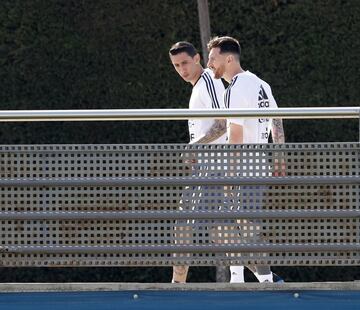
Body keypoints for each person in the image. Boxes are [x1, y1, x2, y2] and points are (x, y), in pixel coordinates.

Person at [207, 36, 286, 283]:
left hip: (244, 166)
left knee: (245, 226)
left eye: (213, 59)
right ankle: (239, 277)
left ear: (228, 59)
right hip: (259, 162)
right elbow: (276, 120)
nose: (210, 65)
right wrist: (280, 157)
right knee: (230, 224)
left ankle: (263, 281)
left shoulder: (236, 87)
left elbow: (236, 135)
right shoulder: (261, 83)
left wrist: (230, 175)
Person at [169, 41, 244, 283]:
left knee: (184, 226)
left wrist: (195, 147)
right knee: (219, 232)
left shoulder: (208, 82)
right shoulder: (199, 87)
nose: (182, 70)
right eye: (176, 66)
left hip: (214, 168)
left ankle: (176, 286)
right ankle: (268, 277)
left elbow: (223, 123)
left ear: (198, 58)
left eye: (185, 63)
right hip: (206, 168)